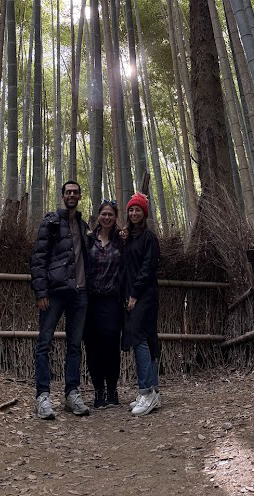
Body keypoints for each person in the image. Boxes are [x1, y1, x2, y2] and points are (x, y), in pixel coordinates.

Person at [30, 180, 90, 420]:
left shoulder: (83, 226)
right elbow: (38, 258)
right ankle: (42, 396)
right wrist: (41, 292)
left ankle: (72, 394)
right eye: (68, 192)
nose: (71, 195)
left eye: (75, 192)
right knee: (44, 343)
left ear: (80, 196)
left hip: (79, 293)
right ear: (62, 195)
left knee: (75, 346)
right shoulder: (51, 222)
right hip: (54, 293)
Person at [121, 192, 161, 416]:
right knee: (147, 338)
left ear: (144, 213)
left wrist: (134, 294)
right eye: (131, 210)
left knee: (139, 339)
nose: (134, 213)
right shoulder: (130, 238)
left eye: (138, 209)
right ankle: (154, 390)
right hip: (134, 294)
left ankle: (146, 392)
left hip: (145, 294)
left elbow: (148, 268)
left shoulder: (149, 238)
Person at [84, 199, 123, 409]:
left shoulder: (121, 241)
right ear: (98, 216)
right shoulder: (89, 240)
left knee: (111, 347)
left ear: (116, 218)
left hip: (112, 302)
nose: (107, 217)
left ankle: (112, 390)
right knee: (92, 348)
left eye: (110, 214)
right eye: (103, 214)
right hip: (91, 301)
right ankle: (98, 391)